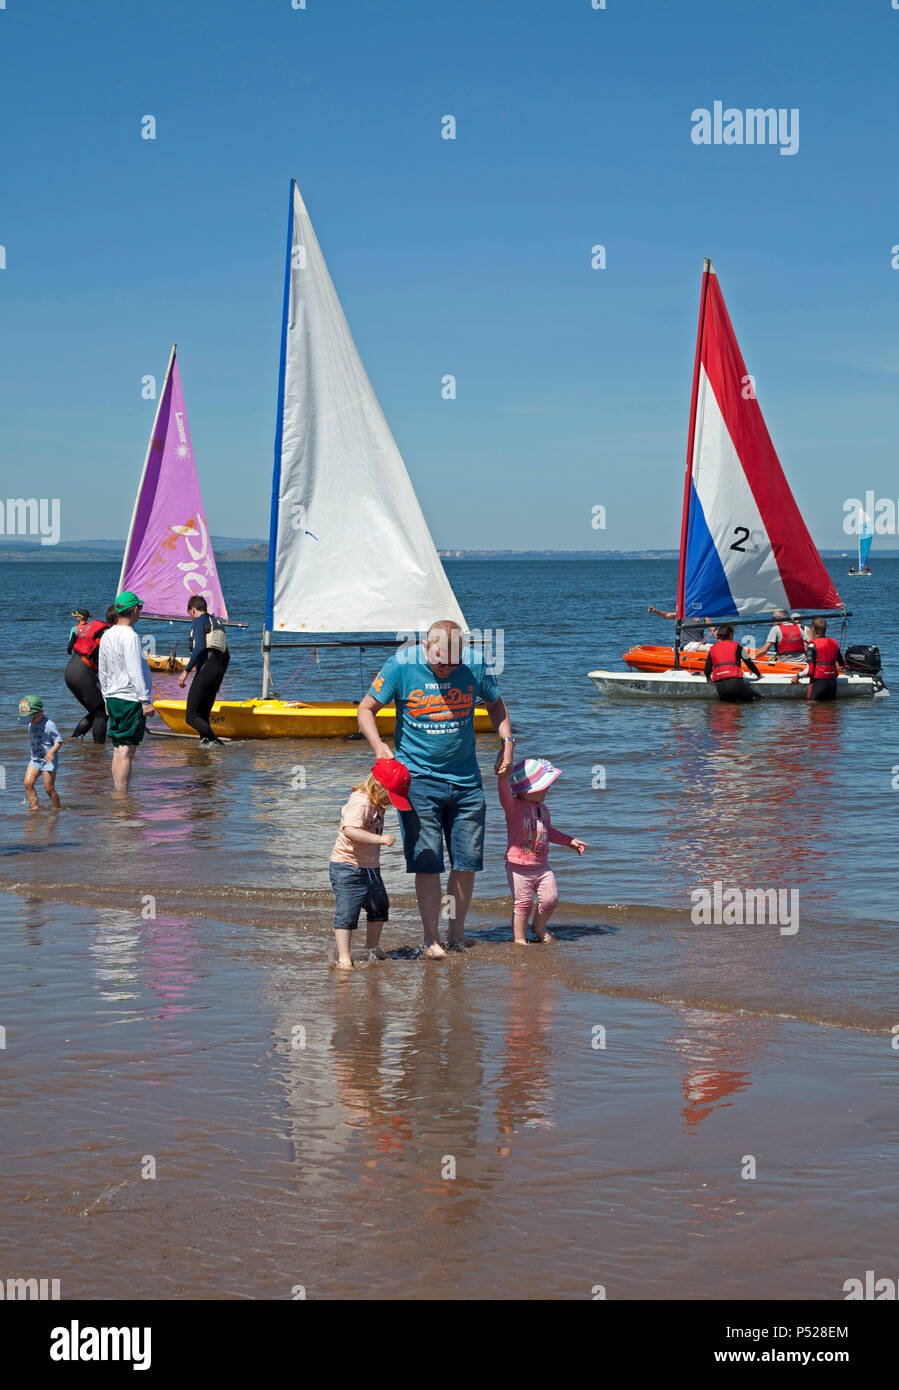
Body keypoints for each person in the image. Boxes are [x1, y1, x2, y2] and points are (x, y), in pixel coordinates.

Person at [357, 618, 513, 959]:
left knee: (466, 861)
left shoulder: (474, 664)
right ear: (425, 648)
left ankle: (456, 932)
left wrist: (507, 742)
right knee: (427, 862)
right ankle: (432, 940)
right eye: (437, 662)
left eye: (451, 664)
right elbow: (365, 709)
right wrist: (378, 745)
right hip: (418, 781)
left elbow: (496, 704)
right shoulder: (400, 665)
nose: (444, 669)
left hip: (467, 782)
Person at [498, 757, 587, 944]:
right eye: (544, 786)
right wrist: (503, 778)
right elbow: (504, 793)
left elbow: (548, 831)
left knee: (550, 899)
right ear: (529, 790)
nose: (548, 789)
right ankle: (519, 940)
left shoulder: (543, 809)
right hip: (519, 867)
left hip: (542, 866)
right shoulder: (514, 807)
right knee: (523, 904)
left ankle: (538, 927)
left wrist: (569, 841)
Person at [329, 760, 408, 969]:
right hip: (347, 866)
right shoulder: (361, 802)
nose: (390, 803)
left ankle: (372, 948)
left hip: (371, 867)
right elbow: (350, 830)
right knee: (348, 912)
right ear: (377, 787)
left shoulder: (376, 801)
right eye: (390, 798)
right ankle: (344, 956)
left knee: (379, 906)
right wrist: (381, 840)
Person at [97, 591, 155, 791]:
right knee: (126, 750)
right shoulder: (130, 636)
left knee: (117, 748)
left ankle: (118, 792)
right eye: (139, 608)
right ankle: (122, 797)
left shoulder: (107, 634)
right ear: (133, 610)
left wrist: (106, 697)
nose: (140, 612)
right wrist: (145, 701)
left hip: (113, 697)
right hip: (130, 699)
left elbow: (102, 670)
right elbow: (134, 671)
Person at [177, 595, 229, 748]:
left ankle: (216, 742)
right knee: (203, 716)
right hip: (218, 670)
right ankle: (205, 751)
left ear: (192, 610)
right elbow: (227, 656)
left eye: (190, 614)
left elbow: (199, 647)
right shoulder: (218, 624)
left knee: (191, 717)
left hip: (207, 669)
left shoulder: (199, 621)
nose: (191, 618)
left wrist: (186, 671)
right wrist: (219, 680)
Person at [64, 606, 110, 742]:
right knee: (101, 712)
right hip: (82, 672)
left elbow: (71, 646)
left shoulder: (95, 628)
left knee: (97, 709)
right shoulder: (108, 632)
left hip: (73, 668)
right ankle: (98, 752)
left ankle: (75, 738)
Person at [18, 696, 62, 810]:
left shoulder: (49, 724)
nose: (30, 719)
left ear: (41, 711)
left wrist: (52, 752)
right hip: (35, 759)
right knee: (27, 783)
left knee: (49, 788)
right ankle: (34, 808)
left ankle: (57, 808)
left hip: (48, 761)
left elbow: (59, 741)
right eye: (27, 717)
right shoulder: (30, 723)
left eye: (32, 716)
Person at [703, 623, 763, 701]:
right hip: (735, 683)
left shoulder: (712, 649)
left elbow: (707, 670)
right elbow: (748, 662)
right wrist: (758, 674)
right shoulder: (737, 647)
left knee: (728, 707)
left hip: (720, 686)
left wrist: (708, 677)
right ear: (730, 634)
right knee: (759, 699)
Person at [790, 617, 844, 702]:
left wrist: (797, 676)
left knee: (812, 708)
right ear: (826, 628)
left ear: (813, 629)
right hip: (832, 684)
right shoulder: (834, 643)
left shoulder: (812, 645)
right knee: (831, 710)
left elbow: (810, 670)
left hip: (818, 684)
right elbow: (842, 663)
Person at [647, 606, 715, 650]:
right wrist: (655, 611)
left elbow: (713, 630)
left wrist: (721, 640)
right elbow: (667, 615)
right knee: (708, 649)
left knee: (716, 648)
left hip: (701, 644)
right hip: (688, 645)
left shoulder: (704, 617)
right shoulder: (684, 616)